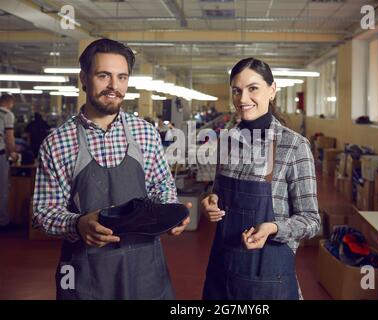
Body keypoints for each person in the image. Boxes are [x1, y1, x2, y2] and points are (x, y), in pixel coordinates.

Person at [33, 38, 190, 300]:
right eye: (103, 75)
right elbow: (42, 213)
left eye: (122, 77)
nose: (113, 86)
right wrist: (78, 223)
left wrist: (170, 212)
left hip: (145, 271)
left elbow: (162, 185)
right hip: (87, 275)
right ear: (84, 78)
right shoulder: (57, 142)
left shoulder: (145, 134)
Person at [201, 57, 320, 300]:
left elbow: (312, 220)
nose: (243, 99)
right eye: (237, 90)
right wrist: (211, 202)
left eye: (253, 88)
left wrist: (274, 228)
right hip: (221, 273)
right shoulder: (227, 141)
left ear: (272, 90)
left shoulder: (293, 146)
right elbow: (217, 192)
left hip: (268, 277)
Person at [0, 94, 19, 232]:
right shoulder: (7, 115)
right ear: (8, 102)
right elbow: (9, 138)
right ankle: (3, 222)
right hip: (0, 155)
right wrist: (13, 153)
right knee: (3, 189)